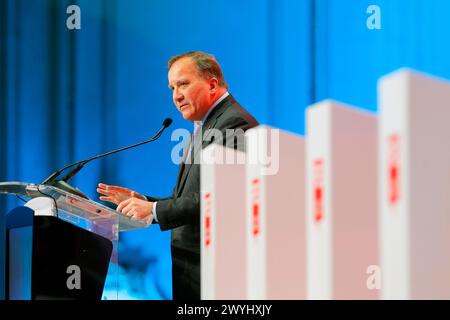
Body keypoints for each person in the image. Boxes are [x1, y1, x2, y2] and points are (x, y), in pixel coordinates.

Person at [97, 51, 259, 299]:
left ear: (212, 84)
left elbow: (222, 198)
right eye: (172, 87)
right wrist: (147, 202)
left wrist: (152, 211)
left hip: (214, 271)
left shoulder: (233, 123)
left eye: (183, 84)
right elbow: (189, 197)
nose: (176, 96)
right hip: (194, 269)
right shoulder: (206, 126)